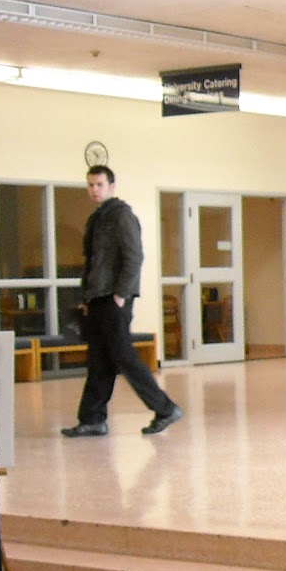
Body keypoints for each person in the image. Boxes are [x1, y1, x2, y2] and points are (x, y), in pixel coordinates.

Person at [61, 165, 183, 437]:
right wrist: (86, 298)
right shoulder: (97, 219)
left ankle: (165, 408)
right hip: (97, 299)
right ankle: (92, 419)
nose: (94, 189)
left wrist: (120, 295)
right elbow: (92, 262)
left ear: (111, 187)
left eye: (99, 185)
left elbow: (134, 257)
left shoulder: (121, 216)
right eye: (91, 185)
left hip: (113, 300)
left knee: (124, 357)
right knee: (99, 361)